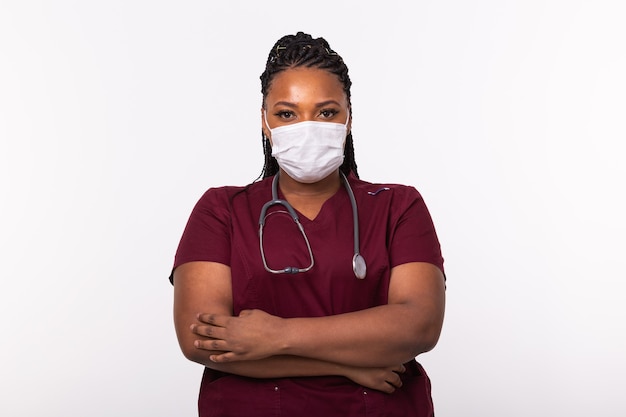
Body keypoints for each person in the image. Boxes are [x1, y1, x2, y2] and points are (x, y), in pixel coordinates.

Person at [169, 31, 446, 417]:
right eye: (287, 114)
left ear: (348, 118)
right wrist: (345, 365)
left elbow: (419, 325)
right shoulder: (222, 210)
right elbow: (202, 341)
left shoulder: (398, 206)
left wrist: (275, 336)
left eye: (326, 112)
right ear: (265, 123)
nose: (307, 127)